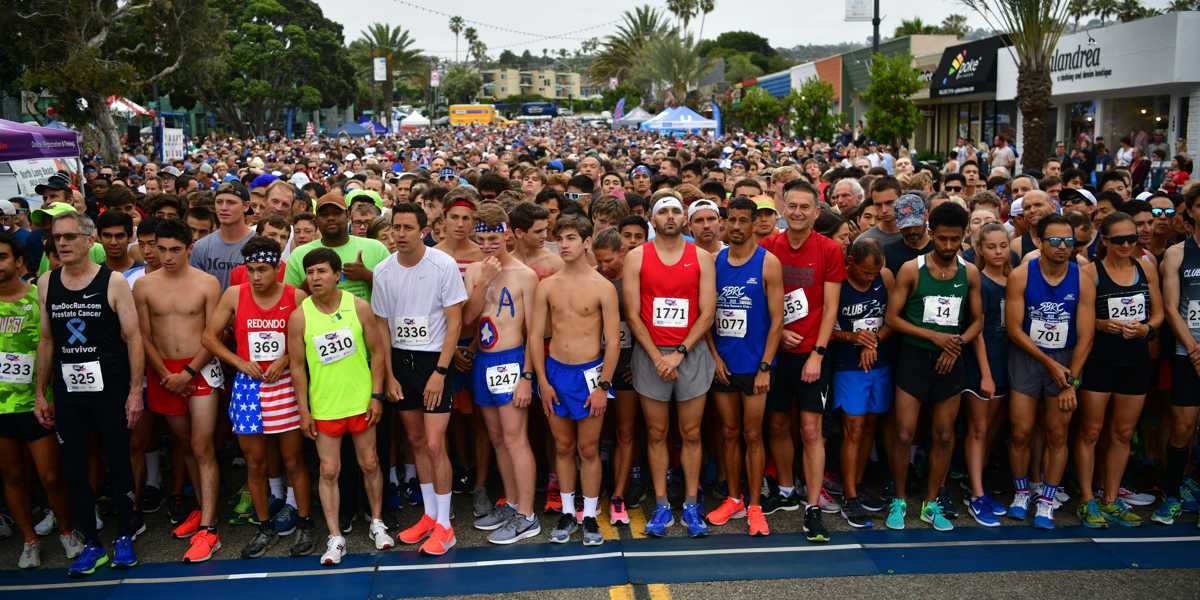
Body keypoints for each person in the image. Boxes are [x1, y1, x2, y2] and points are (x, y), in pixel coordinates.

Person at [35, 211, 143, 575]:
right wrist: (41, 392)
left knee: (116, 461)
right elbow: (47, 340)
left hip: (110, 388)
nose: (62, 244)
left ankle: (125, 535)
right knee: (75, 468)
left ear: (87, 240)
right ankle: (91, 544)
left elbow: (133, 338)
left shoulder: (112, 282)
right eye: (56, 238)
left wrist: (134, 391)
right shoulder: (47, 282)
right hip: (69, 392)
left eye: (68, 237)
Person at [202, 235, 316, 558]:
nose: (256, 277)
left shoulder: (295, 296)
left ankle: (305, 522)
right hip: (249, 387)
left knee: (293, 459)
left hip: (284, 385)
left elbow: (310, 335)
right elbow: (209, 337)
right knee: (255, 461)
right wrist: (239, 361)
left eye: (263, 269)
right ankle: (264, 526)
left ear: (278, 268)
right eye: (250, 269)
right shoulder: (235, 294)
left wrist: (286, 360)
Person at [287, 248, 393, 566]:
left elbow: (377, 353)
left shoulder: (359, 307)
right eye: (311, 272)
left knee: (370, 463)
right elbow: (296, 368)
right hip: (325, 406)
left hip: (361, 402)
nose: (315, 278)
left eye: (322, 271)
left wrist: (376, 395)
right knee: (329, 471)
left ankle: (376, 522)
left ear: (337, 275)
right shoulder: (299, 316)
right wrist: (304, 411)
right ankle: (335, 536)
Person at [372, 204, 467, 556]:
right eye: (396, 227)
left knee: (433, 443)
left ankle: (446, 524)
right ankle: (429, 516)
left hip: (434, 362)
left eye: (408, 227)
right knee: (415, 440)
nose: (400, 233)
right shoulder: (382, 270)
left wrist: (441, 372)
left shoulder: (442, 265)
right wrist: (390, 375)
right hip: (401, 360)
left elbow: (454, 322)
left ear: (423, 230)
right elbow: (381, 325)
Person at [883, 202, 984, 532]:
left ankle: (931, 501)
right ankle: (898, 499)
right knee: (904, 432)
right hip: (914, 357)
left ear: (964, 237)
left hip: (950, 360)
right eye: (942, 239)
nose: (949, 246)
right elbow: (892, 318)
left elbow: (978, 319)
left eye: (956, 240)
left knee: (943, 435)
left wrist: (955, 344)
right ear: (931, 234)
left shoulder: (969, 272)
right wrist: (934, 337)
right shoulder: (912, 270)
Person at [623, 194, 717, 538]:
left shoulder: (702, 258)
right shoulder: (636, 257)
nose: (670, 216)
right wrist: (658, 356)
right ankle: (662, 505)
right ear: (652, 218)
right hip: (651, 355)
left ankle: (692, 504)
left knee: (691, 433)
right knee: (657, 432)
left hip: (688, 353)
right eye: (663, 211)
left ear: (685, 219)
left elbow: (708, 312)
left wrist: (678, 352)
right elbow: (632, 314)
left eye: (676, 211)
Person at [132, 219, 224, 562]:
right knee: (185, 445)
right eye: (161, 249)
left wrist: (187, 372)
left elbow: (213, 335)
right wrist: (165, 374)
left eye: (175, 249)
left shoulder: (207, 284)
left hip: (198, 369)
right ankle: (202, 509)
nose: (167, 256)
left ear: (189, 248)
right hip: (163, 372)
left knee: (202, 445)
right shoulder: (143, 286)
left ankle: (211, 528)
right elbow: (143, 335)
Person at [759, 180, 844, 543]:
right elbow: (760, 299)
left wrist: (818, 353)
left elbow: (830, 306)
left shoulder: (828, 250)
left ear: (816, 211)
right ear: (782, 207)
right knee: (777, 424)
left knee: (811, 430)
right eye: (791, 206)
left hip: (813, 355)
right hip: (777, 355)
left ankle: (812, 507)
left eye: (804, 207)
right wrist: (777, 336)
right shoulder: (768, 247)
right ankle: (787, 489)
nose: (797, 213)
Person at [530, 215, 621, 546]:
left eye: (570, 238)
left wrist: (603, 387)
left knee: (587, 448)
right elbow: (536, 334)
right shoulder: (547, 285)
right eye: (560, 238)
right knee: (563, 446)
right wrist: (542, 380)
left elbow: (612, 342)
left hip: (589, 374)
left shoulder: (603, 288)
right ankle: (568, 510)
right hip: (556, 371)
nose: (564, 244)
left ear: (586, 241)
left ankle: (591, 514)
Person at [1005, 213, 1095, 530]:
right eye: (1055, 240)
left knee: (1058, 434)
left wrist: (1072, 379)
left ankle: (1046, 499)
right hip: (1029, 358)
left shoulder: (1082, 279)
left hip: (1067, 360)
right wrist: (1049, 363)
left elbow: (1086, 336)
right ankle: (1020, 492)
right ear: (1040, 242)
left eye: (1068, 241)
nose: (1062, 247)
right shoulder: (1021, 276)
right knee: (1021, 431)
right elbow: (1014, 329)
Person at [0, 232, 83, 568]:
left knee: (51, 476)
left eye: (3, 257)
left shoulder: (41, 297)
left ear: (19, 262)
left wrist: (45, 393)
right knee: (13, 476)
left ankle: (66, 532)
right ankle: (29, 540)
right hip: (2, 407)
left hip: (40, 403)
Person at [462, 203, 542, 545]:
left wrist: (527, 376)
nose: (488, 243)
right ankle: (510, 503)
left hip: (511, 360)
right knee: (497, 437)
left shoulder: (525, 275)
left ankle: (527, 515)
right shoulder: (474, 271)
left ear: (507, 234)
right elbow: (468, 318)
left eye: (494, 236)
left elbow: (534, 332)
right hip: (484, 360)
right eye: (482, 237)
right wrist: (485, 281)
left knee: (515, 437)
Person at [1076, 212, 1160, 528]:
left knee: (1123, 432)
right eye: (1120, 240)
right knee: (1091, 431)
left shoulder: (1146, 268)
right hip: (1100, 359)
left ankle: (1111, 497)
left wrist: (1146, 330)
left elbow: (1159, 314)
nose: (1127, 245)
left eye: (1132, 238)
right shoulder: (1091, 272)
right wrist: (1101, 324)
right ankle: (1087, 498)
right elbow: (1080, 319)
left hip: (1135, 359)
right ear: (1106, 241)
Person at [705, 197, 784, 536]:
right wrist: (714, 357)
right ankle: (733, 498)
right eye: (731, 220)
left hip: (755, 364)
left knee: (753, 434)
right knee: (728, 433)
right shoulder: (714, 261)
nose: (736, 227)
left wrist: (765, 365)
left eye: (743, 220)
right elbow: (705, 316)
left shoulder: (768, 263)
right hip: (724, 364)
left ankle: (754, 505)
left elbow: (778, 319)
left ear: (755, 223)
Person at [830, 238, 893, 529]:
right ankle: (850, 495)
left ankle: (858, 480)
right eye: (865, 272)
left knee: (870, 424)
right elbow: (825, 329)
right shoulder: (837, 283)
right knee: (852, 427)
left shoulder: (885, 277)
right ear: (850, 262)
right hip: (848, 365)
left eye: (874, 272)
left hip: (878, 361)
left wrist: (874, 340)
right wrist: (853, 338)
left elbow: (893, 319)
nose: (871, 277)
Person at [592, 227, 644, 524]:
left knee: (625, 431)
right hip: (596, 364)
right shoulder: (593, 277)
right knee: (598, 433)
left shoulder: (635, 278)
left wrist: (637, 357)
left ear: (622, 252)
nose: (604, 267)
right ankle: (595, 490)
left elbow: (646, 321)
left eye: (609, 261)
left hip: (627, 365)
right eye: (599, 261)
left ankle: (619, 494)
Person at [1154, 186, 1200, 525]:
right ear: (1191, 213)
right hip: (1189, 351)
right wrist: (1195, 349)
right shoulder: (1177, 253)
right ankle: (1170, 495)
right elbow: (1170, 308)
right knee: (1182, 427)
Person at [961, 224, 1011, 526]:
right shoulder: (978, 281)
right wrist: (985, 373)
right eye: (991, 246)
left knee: (992, 430)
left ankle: (975, 482)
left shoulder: (1015, 279)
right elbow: (977, 330)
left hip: (1008, 362)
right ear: (979, 249)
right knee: (978, 429)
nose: (998, 252)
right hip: (983, 364)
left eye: (1003, 245)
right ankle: (976, 494)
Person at [285, 192, 389, 302]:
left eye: (337, 213)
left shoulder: (376, 248)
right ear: (316, 220)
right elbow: (288, 302)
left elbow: (393, 290)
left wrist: (367, 275)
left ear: (348, 215)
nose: (330, 218)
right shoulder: (299, 255)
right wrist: (311, 281)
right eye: (324, 214)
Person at [190, 182, 254, 290]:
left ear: (246, 206)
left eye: (231, 202)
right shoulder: (201, 246)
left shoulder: (258, 245)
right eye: (219, 202)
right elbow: (195, 289)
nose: (223, 208)